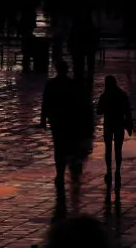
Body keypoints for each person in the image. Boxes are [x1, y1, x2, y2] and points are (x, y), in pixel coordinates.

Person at [41, 60, 83, 188]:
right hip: (69, 119)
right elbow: (78, 104)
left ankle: (60, 172)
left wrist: (43, 119)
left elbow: (45, 103)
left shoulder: (51, 84)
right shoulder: (72, 84)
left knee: (58, 147)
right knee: (67, 146)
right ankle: (66, 169)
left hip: (56, 120)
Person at [96, 75, 134, 192]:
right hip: (119, 125)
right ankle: (117, 169)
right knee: (118, 149)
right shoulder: (122, 95)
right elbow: (127, 111)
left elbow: (98, 111)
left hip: (108, 125)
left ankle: (109, 170)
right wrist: (129, 126)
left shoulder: (105, 95)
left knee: (108, 149)